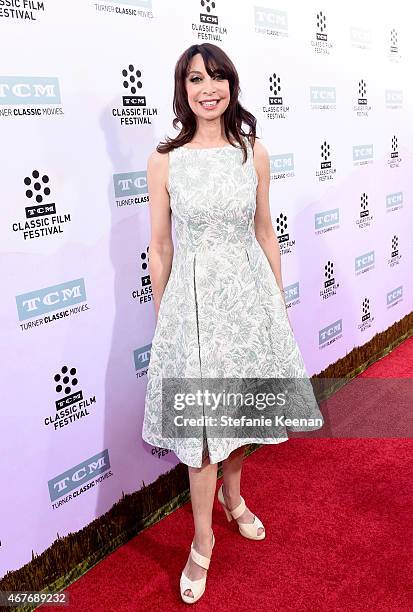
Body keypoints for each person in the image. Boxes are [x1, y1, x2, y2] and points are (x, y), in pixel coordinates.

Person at [141, 43, 324, 603]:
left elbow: (266, 231)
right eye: (196, 79)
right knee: (199, 435)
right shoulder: (164, 160)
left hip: (246, 300)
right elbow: (160, 246)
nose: (208, 88)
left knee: (237, 419)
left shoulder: (253, 152)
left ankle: (234, 500)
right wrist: (164, 321)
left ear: (231, 85)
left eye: (217, 77)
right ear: (184, 90)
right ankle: (202, 543)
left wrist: (278, 305)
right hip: (193, 308)